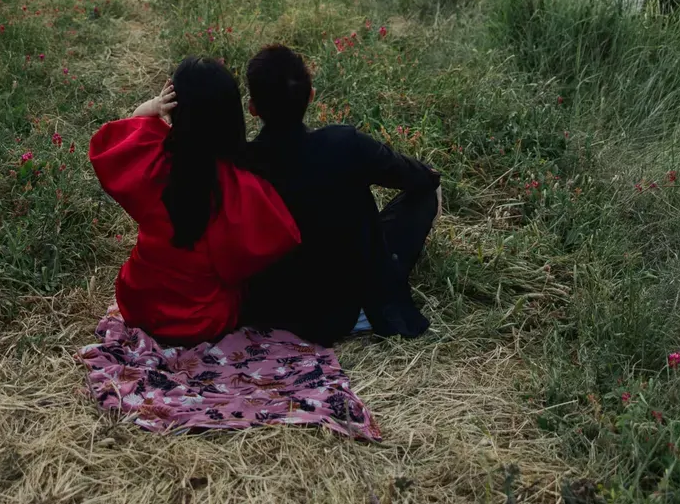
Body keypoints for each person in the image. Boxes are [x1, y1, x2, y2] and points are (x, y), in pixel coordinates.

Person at [88, 56, 300, 344]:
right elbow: (275, 243)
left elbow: (124, 132)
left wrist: (152, 107)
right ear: (232, 116)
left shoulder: (154, 159)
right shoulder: (239, 186)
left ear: (176, 111)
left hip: (136, 303)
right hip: (200, 322)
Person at [242, 44, 441, 346]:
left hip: (271, 310)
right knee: (428, 193)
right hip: (348, 311)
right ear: (311, 95)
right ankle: (377, 299)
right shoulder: (344, 144)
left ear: (252, 107)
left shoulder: (241, 162)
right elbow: (419, 178)